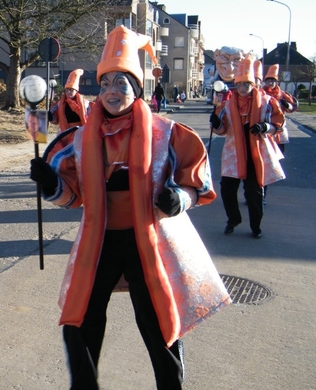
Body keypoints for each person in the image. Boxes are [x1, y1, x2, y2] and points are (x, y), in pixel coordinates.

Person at [30, 25, 230, 390]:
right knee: (79, 320)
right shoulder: (79, 139)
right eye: (105, 84)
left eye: (121, 84)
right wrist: (50, 185)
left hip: (148, 242)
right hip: (100, 240)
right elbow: (73, 196)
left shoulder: (167, 133)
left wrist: (179, 199)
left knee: (157, 323)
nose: (111, 92)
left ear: (136, 90)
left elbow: (198, 183)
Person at [210, 55, 286, 239]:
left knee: (254, 193)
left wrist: (265, 127)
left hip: (255, 154)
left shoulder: (267, 102)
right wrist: (215, 121)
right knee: (227, 190)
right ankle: (233, 219)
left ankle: (256, 226)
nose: (243, 88)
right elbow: (221, 130)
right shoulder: (227, 105)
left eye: (247, 84)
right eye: (240, 84)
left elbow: (279, 123)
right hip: (233, 154)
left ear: (254, 85)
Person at [262, 64, 298, 154]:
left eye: (272, 81)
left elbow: (292, 108)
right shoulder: (261, 94)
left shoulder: (282, 94)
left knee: (279, 151)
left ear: (276, 82)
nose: (270, 83)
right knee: (265, 151)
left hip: (279, 126)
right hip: (265, 125)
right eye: (268, 81)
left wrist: (287, 105)